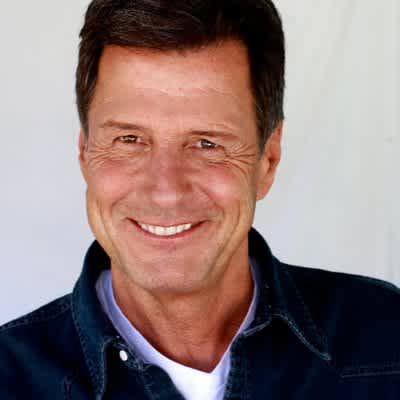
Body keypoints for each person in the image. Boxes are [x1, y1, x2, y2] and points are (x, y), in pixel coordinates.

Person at [1, 0, 399, 398]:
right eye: (129, 139)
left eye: (207, 144)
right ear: (85, 152)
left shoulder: (387, 338)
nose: (166, 191)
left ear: (268, 159)